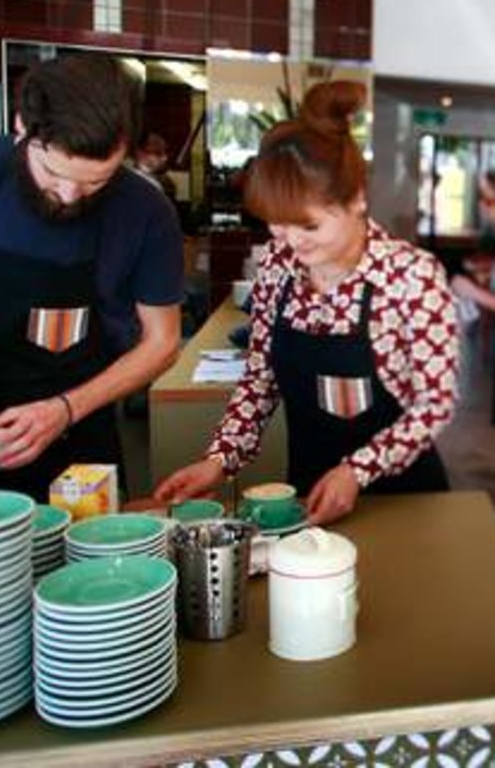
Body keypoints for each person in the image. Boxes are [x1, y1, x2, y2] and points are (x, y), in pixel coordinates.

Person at [155, 80, 459, 526]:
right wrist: (219, 460)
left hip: (402, 500)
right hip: (307, 495)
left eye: (309, 227)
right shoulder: (280, 265)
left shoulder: (411, 276)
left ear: (356, 200)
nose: (293, 243)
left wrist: (358, 470)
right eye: (278, 229)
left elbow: (436, 404)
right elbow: (260, 379)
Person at [0, 52, 183, 502]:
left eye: (97, 181)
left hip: (79, 435)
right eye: (55, 174)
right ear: (22, 126)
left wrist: (66, 409)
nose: (71, 196)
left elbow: (162, 342)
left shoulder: (147, 212)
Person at [133, 131, 178, 204]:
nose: (165, 158)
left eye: (165, 152)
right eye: (158, 153)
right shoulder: (146, 183)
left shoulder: (163, 180)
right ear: (141, 154)